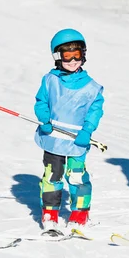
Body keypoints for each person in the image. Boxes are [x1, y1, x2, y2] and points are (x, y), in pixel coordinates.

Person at [33, 29, 105, 231]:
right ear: (58, 57)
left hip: (76, 140)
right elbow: (41, 102)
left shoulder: (91, 87)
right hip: (54, 137)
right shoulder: (50, 80)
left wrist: (87, 131)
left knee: (76, 175)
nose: (73, 60)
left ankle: (80, 213)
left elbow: (95, 112)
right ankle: (50, 212)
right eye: (67, 56)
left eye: (78, 55)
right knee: (52, 175)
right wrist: (44, 119)